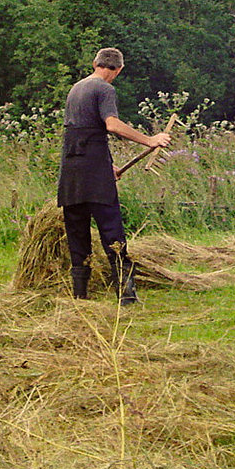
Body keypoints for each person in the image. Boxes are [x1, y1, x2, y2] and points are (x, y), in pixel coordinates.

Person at [57, 48, 171, 305]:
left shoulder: (76, 88)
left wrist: (108, 166)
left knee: (77, 233)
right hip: (94, 178)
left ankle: (80, 296)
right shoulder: (105, 89)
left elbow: (83, 135)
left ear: (94, 63)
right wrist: (149, 140)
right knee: (112, 232)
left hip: (72, 174)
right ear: (118, 70)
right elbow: (111, 125)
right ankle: (127, 296)